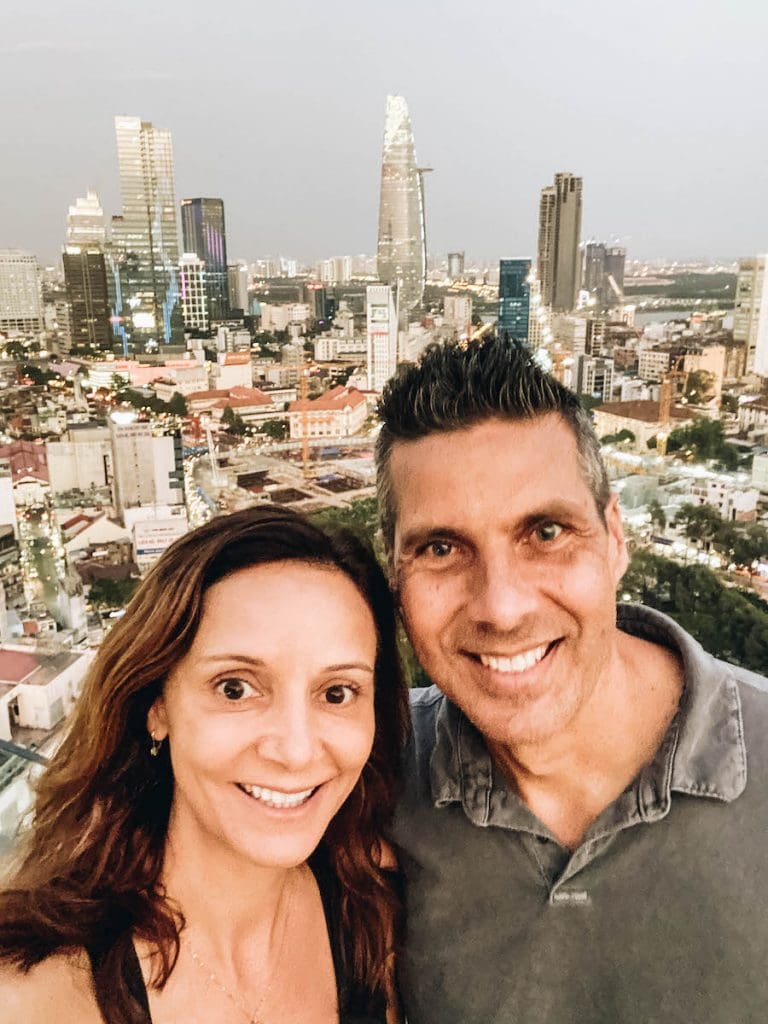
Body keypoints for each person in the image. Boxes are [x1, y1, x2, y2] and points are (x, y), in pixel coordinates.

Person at [375, 336, 768, 1024]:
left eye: (547, 532)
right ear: (395, 575)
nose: (501, 606)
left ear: (615, 539)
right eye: (441, 548)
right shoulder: (357, 777)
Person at [0, 505, 408, 1024]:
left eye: (337, 692)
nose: (297, 749)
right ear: (157, 705)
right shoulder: (38, 995)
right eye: (235, 688)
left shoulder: (369, 904)